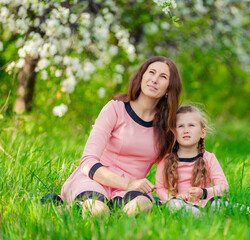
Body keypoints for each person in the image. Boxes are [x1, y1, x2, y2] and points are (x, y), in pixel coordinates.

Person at [59, 56, 182, 216]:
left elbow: (170, 172)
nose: (154, 79)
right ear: (142, 76)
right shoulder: (115, 109)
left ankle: (109, 213)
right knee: (97, 211)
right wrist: (129, 184)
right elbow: (88, 161)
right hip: (94, 180)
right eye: (151, 72)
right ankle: (68, 206)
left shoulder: (167, 128)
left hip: (130, 191)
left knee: (142, 206)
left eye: (163, 77)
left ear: (168, 89)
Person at [155, 105, 229, 215]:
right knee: (174, 205)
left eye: (191, 125)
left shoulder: (208, 158)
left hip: (204, 202)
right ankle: (201, 216)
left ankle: (246, 212)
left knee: (219, 203)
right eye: (180, 126)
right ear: (174, 132)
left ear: (202, 132)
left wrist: (203, 193)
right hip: (178, 204)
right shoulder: (165, 159)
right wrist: (173, 198)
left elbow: (224, 188)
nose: (186, 130)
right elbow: (160, 188)